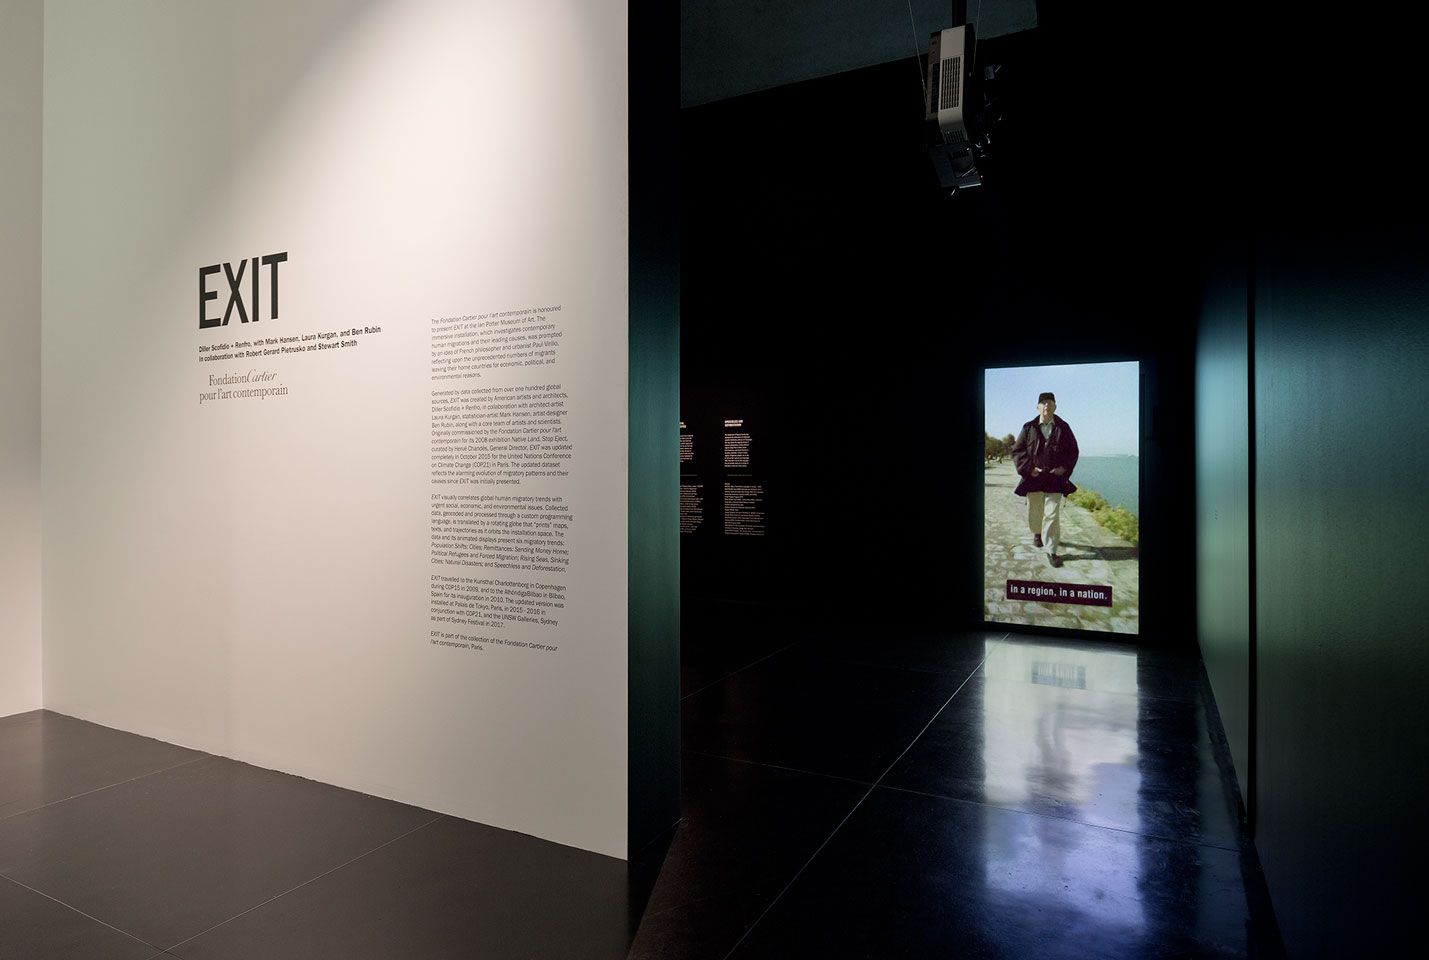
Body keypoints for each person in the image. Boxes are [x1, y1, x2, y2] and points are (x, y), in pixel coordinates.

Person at [1010, 392, 1079, 567]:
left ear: (1055, 407)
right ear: (1038, 407)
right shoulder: (1028, 428)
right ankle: (1037, 533)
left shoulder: (1064, 427)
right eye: (1043, 403)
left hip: (1055, 479)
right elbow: (1017, 451)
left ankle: (1051, 550)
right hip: (1034, 478)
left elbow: (1073, 451)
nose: (1046, 406)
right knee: (1035, 512)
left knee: (1052, 514)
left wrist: (1064, 468)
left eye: (1050, 403)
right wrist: (1028, 469)